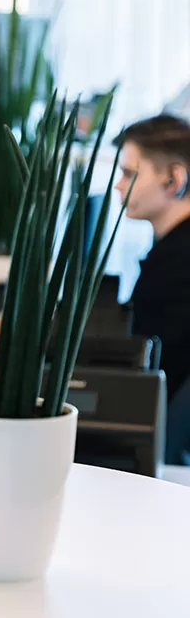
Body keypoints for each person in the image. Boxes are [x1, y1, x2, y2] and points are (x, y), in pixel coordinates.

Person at [113, 114, 190, 458]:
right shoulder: (171, 253)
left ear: (173, 180)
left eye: (129, 173)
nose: (118, 185)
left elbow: (151, 367)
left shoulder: (176, 266)